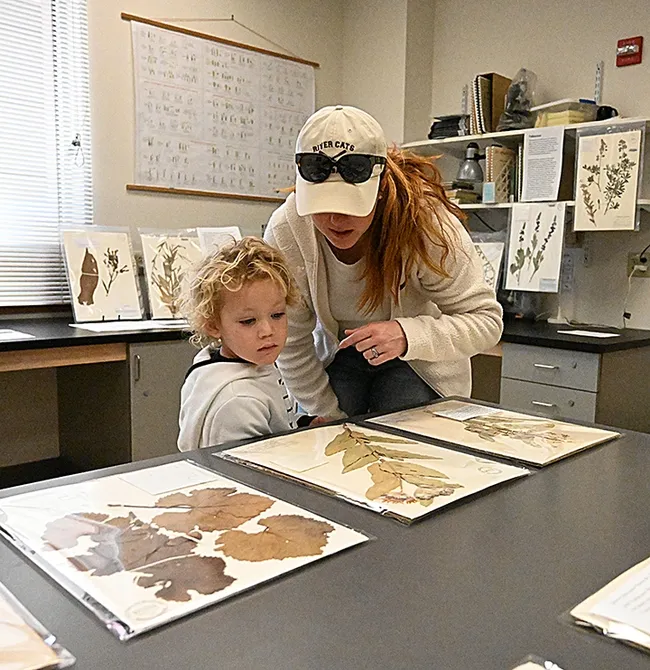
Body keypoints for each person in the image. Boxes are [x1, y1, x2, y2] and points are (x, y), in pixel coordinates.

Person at [264, 105, 503, 420]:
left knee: (402, 438)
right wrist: (326, 415)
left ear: (379, 189)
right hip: (340, 357)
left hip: (420, 363)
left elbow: (486, 322)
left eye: (351, 204)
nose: (336, 219)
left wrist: (407, 335)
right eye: (321, 205)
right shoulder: (288, 229)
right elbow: (291, 341)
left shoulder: (427, 225)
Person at [177, 237, 315, 451]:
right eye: (248, 321)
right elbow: (252, 468)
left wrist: (304, 426)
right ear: (214, 326)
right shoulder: (239, 400)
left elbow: (275, 422)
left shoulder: (230, 360)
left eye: (277, 314)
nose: (267, 331)